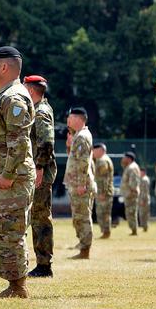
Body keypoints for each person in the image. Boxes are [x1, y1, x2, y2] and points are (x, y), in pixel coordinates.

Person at [0, 46, 36, 298]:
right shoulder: (5, 95)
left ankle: (18, 287)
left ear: (5, 67)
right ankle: (15, 284)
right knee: (3, 230)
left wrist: (8, 174)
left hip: (12, 178)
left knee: (9, 231)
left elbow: (19, 141)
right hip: (6, 176)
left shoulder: (13, 98)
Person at [23, 75, 56, 277]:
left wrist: (40, 167)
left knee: (40, 218)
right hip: (38, 170)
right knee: (37, 217)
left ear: (32, 91)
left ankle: (44, 265)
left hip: (40, 173)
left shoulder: (41, 112)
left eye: (25, 88)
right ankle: (42, 263)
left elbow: (46, 142)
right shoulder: (40, 108)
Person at [63, 107, 95, 259]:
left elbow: (83, 162)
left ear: (78, 119)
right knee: (78, 216)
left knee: (82, 217)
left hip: (80, 184)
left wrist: (81, 183)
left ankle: (85, 250)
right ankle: (83, 246)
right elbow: (74, 158)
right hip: (76, 183)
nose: (68, 121)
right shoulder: (78, 136)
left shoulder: (82, 136)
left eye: (70, 118)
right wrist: (69, 145)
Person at [92, 143, 114, 238]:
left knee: (103, 213)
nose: (93, 152)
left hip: (103, 192)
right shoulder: (104, 159)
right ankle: (105, 232)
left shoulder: (102, 161)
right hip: (105, 191)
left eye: (94, 150)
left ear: (100, 150)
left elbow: (104, 179)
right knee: (104, 213)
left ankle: (106, 232)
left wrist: (102, 193)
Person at [121, 151, 141, 235]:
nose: (123, 159)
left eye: (124, 158)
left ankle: (134, 230)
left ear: (129, 159)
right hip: (129, 193)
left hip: (131, 194)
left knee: (131, 212)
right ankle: (133, 229)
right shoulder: (129, 167)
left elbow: (134, 182)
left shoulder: (132, 168)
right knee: (130, 212)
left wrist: (132, 191)